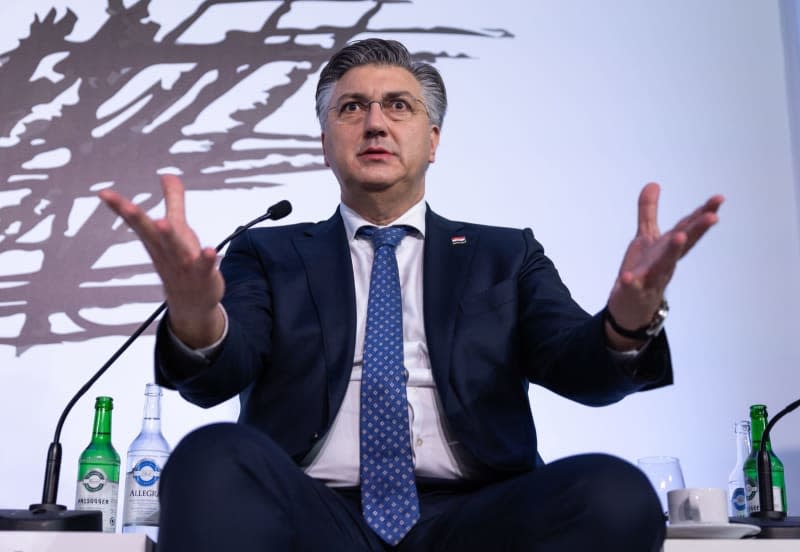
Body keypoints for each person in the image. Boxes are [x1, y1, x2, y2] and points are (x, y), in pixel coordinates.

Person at [99, 38, 723, 551]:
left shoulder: (505, 255)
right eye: (350, 109)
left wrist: (630, 320)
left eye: (398, 106)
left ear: (433, 139)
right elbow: (216, 378)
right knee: (209, 459)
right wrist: (194, 310)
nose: (374, 122)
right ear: (324, 142)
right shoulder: (271, 251)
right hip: (314, 517)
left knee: (614, 493)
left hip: (475, 518)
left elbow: (581, 368)